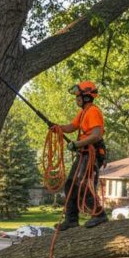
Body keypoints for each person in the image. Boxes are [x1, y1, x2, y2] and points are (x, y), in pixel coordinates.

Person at [52, 80, 108, 230]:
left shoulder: (93, 111)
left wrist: (77, 144)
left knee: (83, 184)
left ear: (87, 97)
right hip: (83, 154)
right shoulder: (83, 112)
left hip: (92, 153)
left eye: (79, 96)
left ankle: (99, 214)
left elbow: (96, 135)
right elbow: (72, 127)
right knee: (71, 183)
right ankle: (71, 219)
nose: (76, 99)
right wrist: (58, 127)